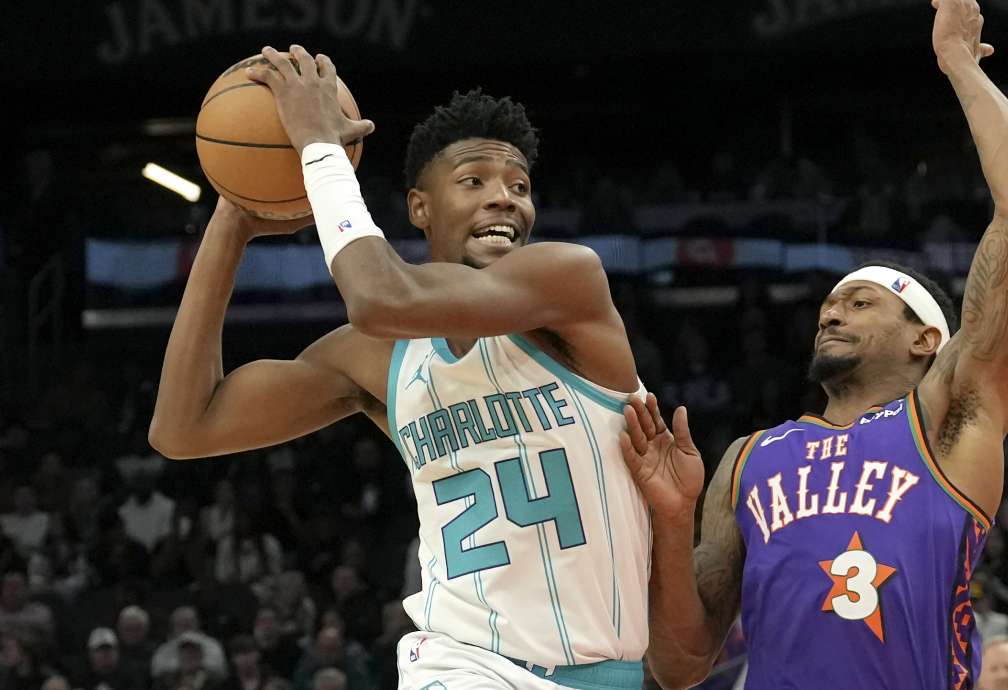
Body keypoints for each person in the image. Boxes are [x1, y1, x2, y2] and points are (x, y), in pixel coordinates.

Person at [150, 60, 648, 688]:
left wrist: (319, 148)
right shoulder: (376, 355)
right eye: (474, 180)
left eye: (520, 186)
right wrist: (233, 219)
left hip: (609, 671)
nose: (504, 196)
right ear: (420, 206)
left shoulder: (567, 281)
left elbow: (384, 297)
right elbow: (184, 429)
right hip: (460, 664)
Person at [617, 0, 1008, 688]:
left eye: (859, 302)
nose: (830, 314)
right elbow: (680, 665)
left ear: (925, 339)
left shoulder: (948, 414)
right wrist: (671, 523)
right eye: (827, 306)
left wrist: (959, 64)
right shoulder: (748, 458)